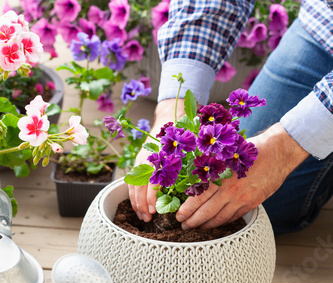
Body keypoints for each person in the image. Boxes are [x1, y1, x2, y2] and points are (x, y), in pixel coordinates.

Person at [129, 0, 333, 235]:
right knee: (239, 200)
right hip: (324, 25)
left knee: (255, 201)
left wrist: (283, 149)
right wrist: (172, 111)